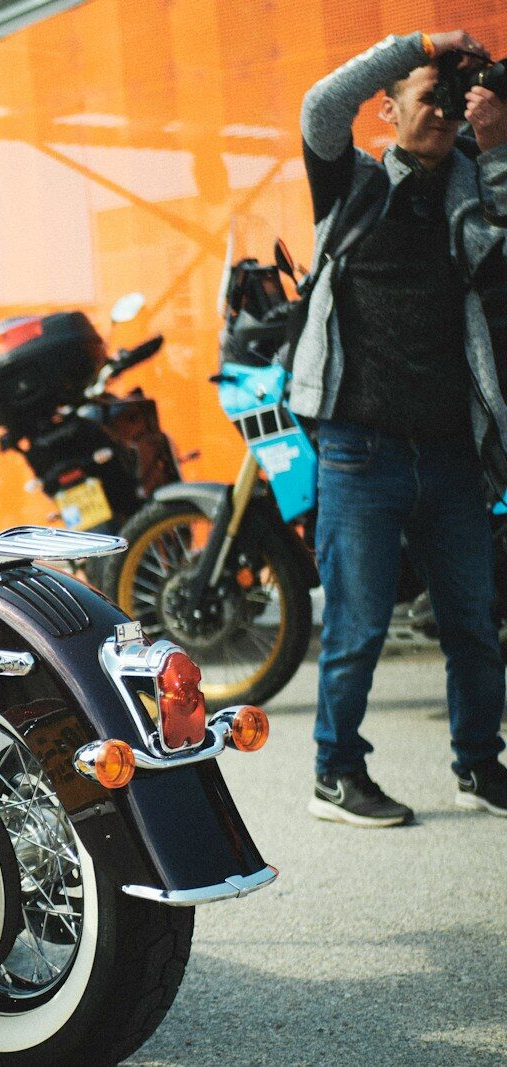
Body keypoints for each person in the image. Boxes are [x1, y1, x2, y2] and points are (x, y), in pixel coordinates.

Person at [295, 30, 507, 826]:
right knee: (356, 627)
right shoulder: (349, 182)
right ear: (387, 109)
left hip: (451, 450)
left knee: (474, 625)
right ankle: (335, 774)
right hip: (360, 450)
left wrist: (494, 146)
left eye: (452, 101)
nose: (442, 113)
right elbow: (322, 105)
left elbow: (500, 253)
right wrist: (418, 46)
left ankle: (479, 765)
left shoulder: (471, 183)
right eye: (428, 97)